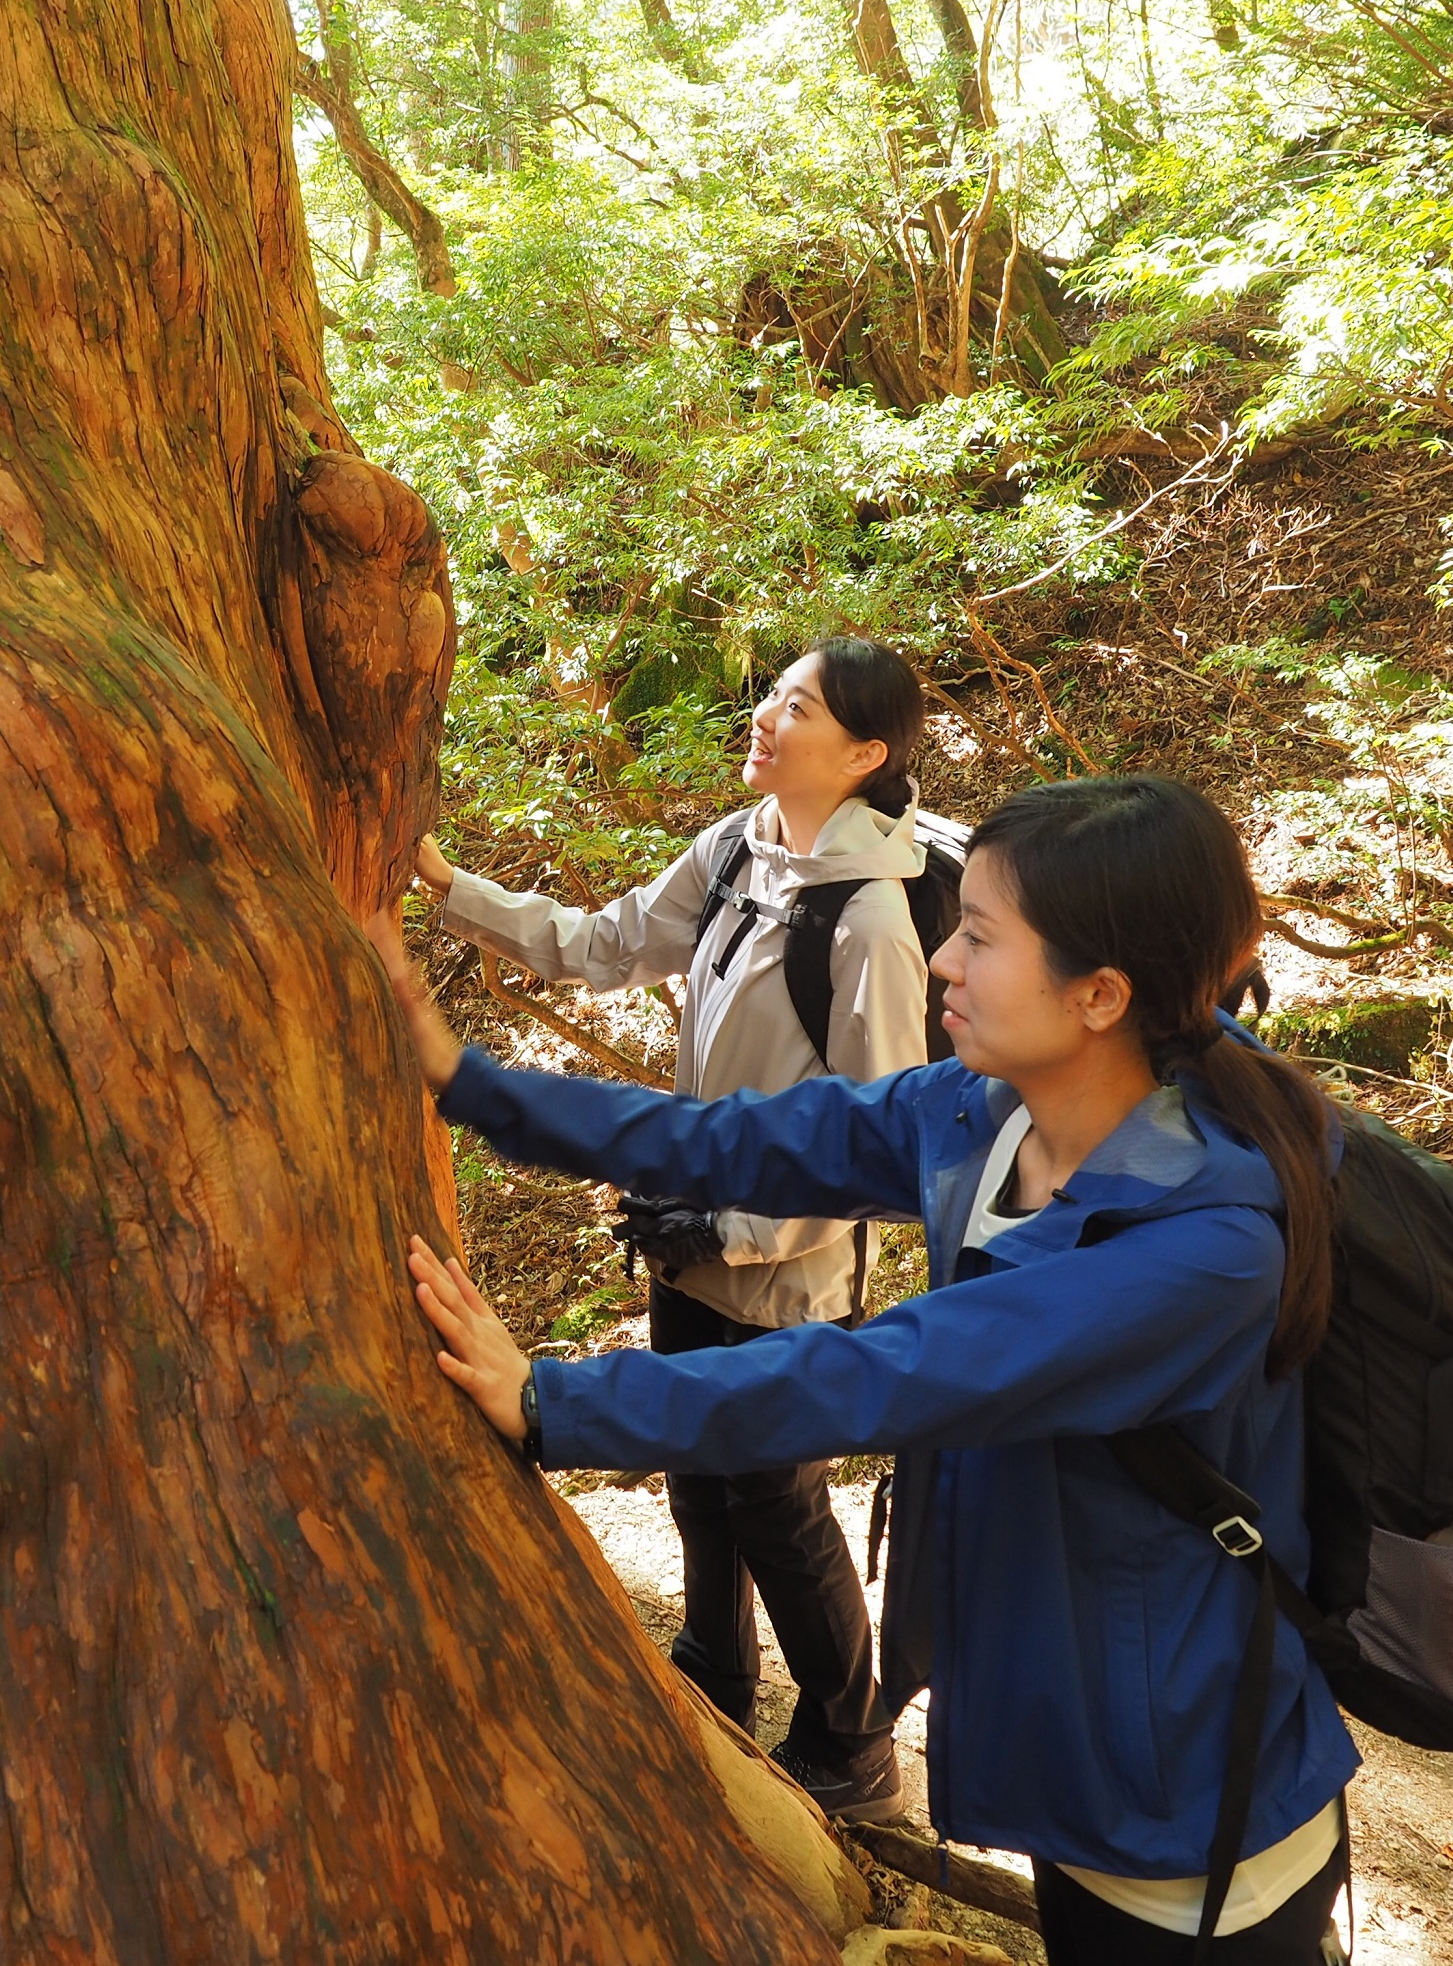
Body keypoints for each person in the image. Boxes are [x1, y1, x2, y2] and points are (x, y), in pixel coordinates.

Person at [380, 775, 1360, 1964]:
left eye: (981, 937)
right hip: (1074, 1732)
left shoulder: (1200, 1247)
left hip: (1191, 1801)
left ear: (1102, 995)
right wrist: (465, 1081)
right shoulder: (990, 1110)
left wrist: (555, 1401)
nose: (942, 959)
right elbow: (734, 1140)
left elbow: (883, 1373)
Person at [410, 637, 933, 1819]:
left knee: (780, 1501)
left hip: (785, 1268)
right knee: (701, 1475)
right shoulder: (736, 854)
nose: (765, 713)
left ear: (862, 752)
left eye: (795, 704)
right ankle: (713, 1672)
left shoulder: (873, 926)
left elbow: (882, 1140)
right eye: (773, 692)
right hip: (690, 1238)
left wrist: (733, 1228)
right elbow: (601, 947)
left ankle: (853, 1746)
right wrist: (449, 888)